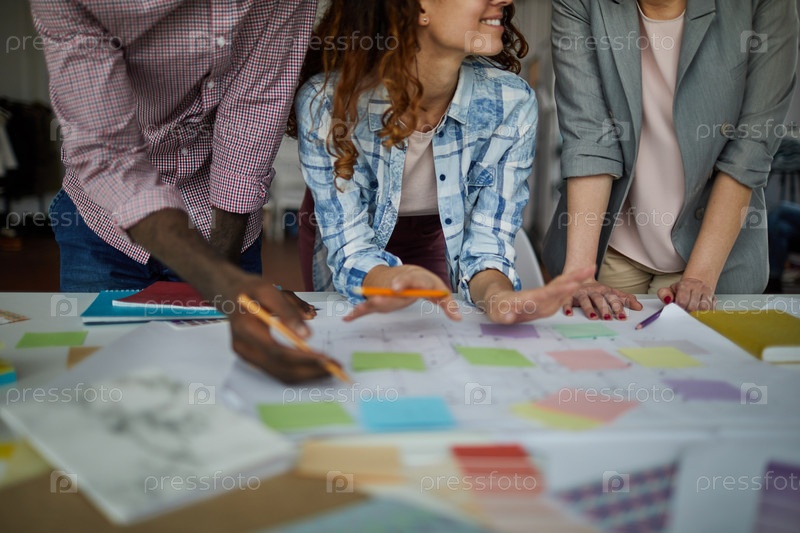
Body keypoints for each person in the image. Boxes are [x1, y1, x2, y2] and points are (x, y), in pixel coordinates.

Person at [31, 0, 332, 382]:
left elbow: (252, 118)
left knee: (222, 385)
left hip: (223, 220)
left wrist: (223, 286)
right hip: (102, 222)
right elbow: (108, 154)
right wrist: (224, 285)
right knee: (102, 385)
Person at [290, 0, 594, 324]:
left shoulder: (511, 104)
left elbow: (488, 246)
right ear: (420, 7)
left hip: (435, 231)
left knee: (435, 329)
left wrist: (500, 298)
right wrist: (391, 281)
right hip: (347, 228)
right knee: (360, 331)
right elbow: (351, 250)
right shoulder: (327, 104)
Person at [542, 0, 798, 319]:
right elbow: (588, 137)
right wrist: (580, 274)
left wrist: (699, 278)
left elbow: (749, 149)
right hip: (610, 245)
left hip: (712, 252)